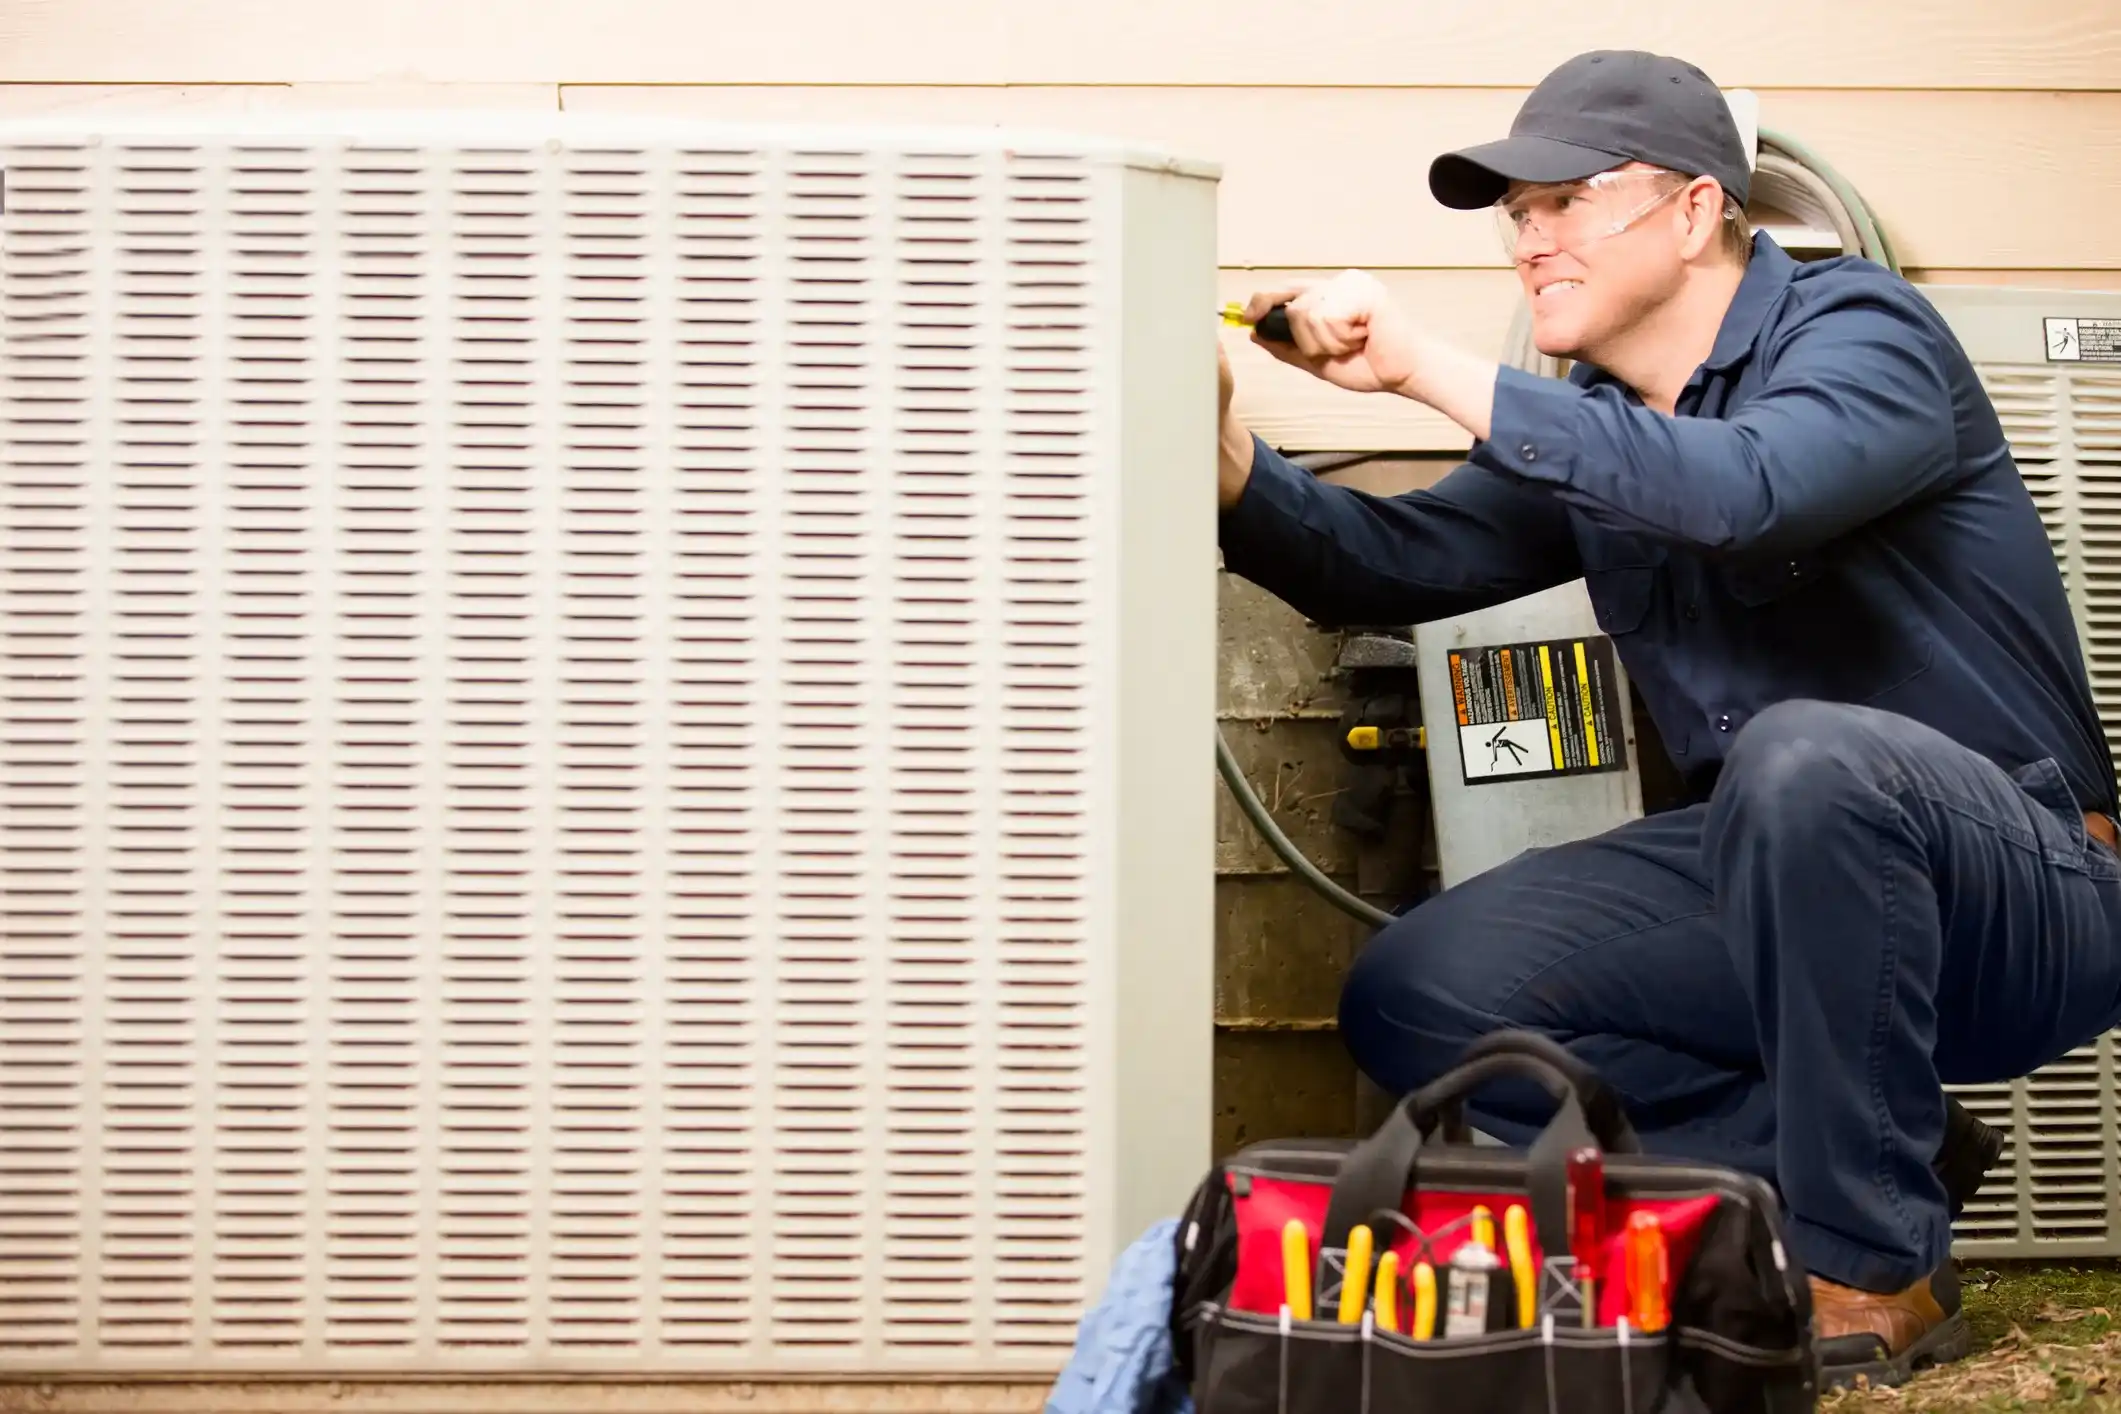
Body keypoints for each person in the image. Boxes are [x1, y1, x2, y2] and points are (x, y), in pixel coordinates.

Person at [1215, 48, 2121, 1390]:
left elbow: (1744, 490)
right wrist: (1230, 458)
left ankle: (1872, 1268)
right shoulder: (1595, 425)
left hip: (2022, 886)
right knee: (1421, 992)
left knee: (1805, 755)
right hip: (1763, 867)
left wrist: (1424, 367)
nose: (1532, 239)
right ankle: (1865, 1154)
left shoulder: (1865, 337)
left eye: (1567, 200)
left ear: (1695, 212)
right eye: (1517, 214)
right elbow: (1393, 565)